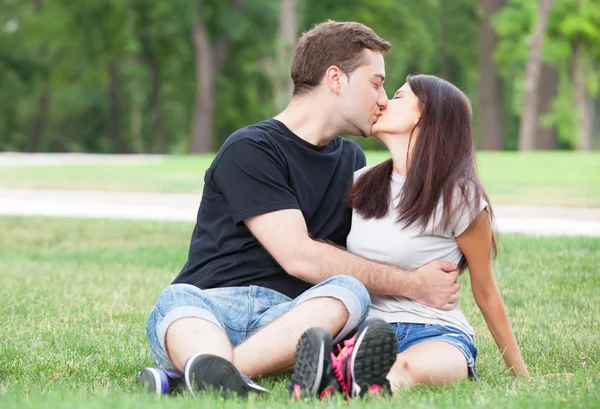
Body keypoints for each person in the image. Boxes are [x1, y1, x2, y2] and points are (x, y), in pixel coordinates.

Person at [138, 22, 462, 398]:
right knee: (178, 300)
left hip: (295, 318)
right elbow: (298, 256)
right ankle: (208, 363)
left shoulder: (352, 162)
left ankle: (203, 376)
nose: (384, 99)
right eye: (375, 83)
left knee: (350, 292)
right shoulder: (251, 148)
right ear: (336, 79)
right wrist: (415, 284)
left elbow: (364, 252)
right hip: (211, 309)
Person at [289, 74, 530, 399]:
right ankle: (341, 371)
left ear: (425, 115)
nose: (384, 101)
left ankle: (347, 378)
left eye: (399, 96)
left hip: (436, 332)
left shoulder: (461, 198)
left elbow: (485, 291)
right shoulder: (360, 184)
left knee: (401, 371)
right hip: (365, 329)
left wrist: (521, 373)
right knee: (374, 362)